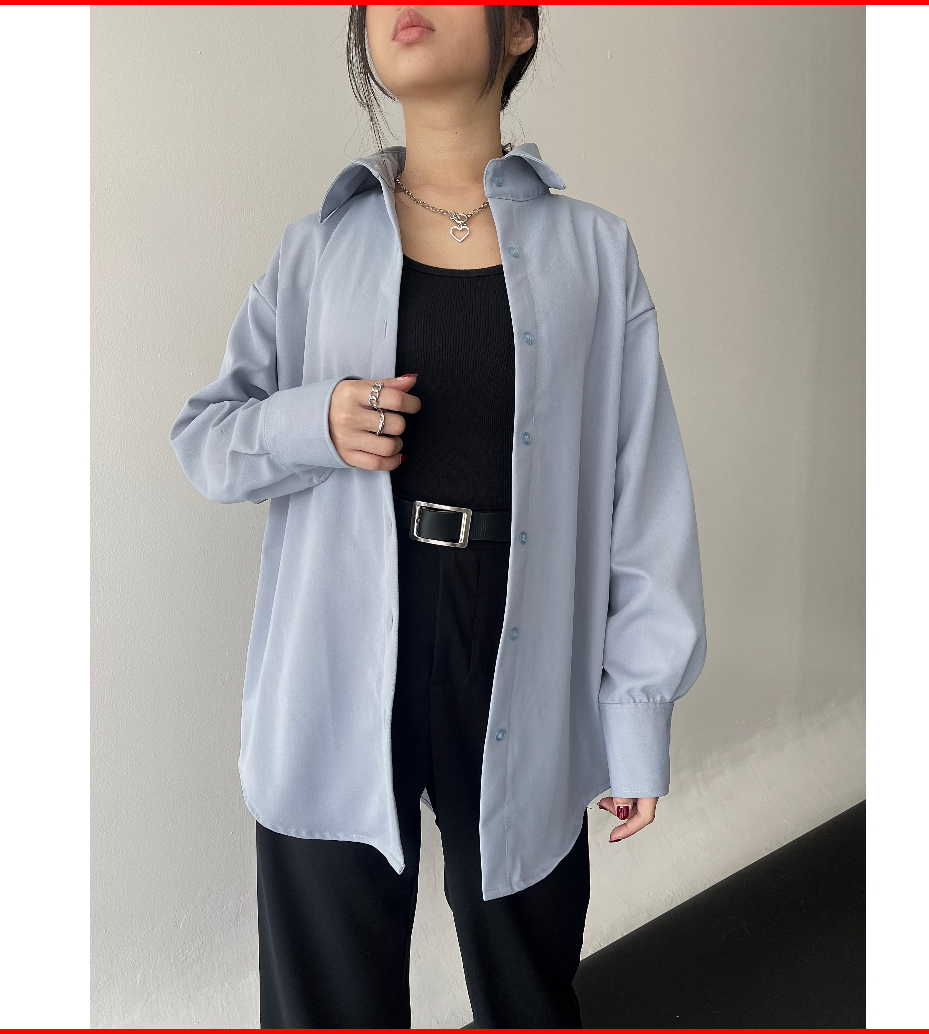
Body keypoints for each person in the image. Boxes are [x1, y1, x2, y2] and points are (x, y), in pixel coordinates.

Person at [170, 5, 707, 1028]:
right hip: (333, 653)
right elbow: (206, 439)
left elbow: (642, 500)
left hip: (519, 644)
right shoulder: (315, 250)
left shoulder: (594, 252)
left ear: (519, 30)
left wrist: (635, 718)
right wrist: (315, 422)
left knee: (526, 979)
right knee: (326, 994)